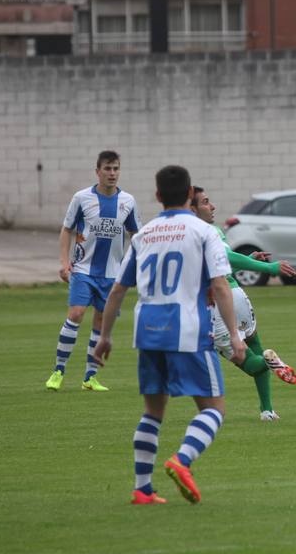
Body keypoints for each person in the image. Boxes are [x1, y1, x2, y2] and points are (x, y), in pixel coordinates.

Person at [92, 164, 246, 505]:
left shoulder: (144, 235)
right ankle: (182, 460)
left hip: (147, 328)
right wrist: (235, 335)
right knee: (213, 408)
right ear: (190, 194)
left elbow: (118, 289)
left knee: (153, 412)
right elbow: (220, 285)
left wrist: (104, 336)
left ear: (158, 196)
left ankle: (142, 489)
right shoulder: (203, 231)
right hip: (187, 328)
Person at [190, 186, 296, 420]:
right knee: (256, 345)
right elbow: (227, 262)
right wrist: (253, 262)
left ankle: (269, 364)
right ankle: (267, 410)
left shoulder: (200, 233)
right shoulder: (212, 231)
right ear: (191, 208)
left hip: (217, 305)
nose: (213, 207)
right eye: (206, 202)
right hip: (237, 296)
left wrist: (266, 267)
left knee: (250, 363)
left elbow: (227, 259)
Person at [45, 150, 138, 392]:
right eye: (107, 169)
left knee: (100, 321)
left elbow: (135, 235)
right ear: (97, 171)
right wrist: (64, 263)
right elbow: (67, 230)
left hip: (112, 275)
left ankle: (90, 377)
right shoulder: (81, 198)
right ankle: (58, 370)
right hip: (83, 269)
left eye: (116, 168)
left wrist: (136, 265)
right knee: (75, 314)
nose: (112, 173)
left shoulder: (128, 201)